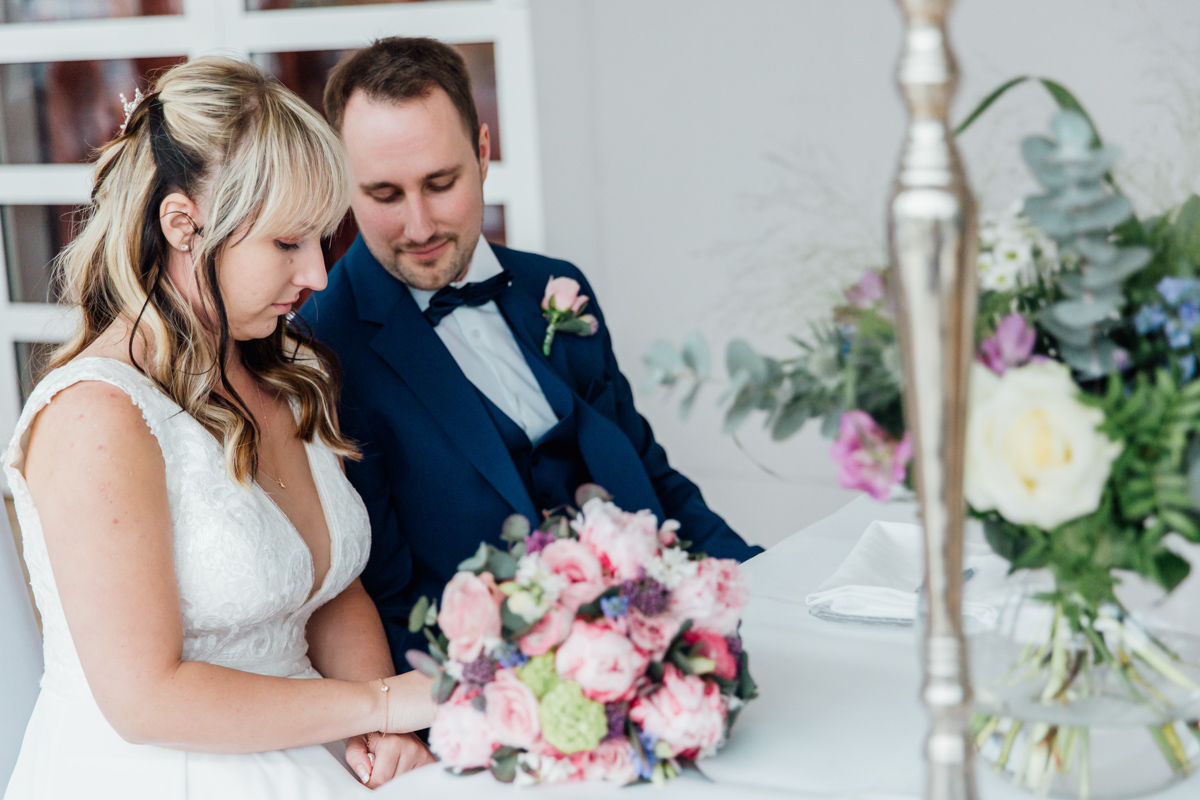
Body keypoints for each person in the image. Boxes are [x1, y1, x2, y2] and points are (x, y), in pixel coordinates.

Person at [2, 57, 438, 799]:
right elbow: (147, 699)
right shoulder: (95, 415)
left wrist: (384, 736)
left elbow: (330, 591)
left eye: (321, 242)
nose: (319, 277)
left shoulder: (286, 370)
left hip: (319, 761)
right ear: (183, 224)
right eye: (286, 244)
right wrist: (385, 700)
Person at [301, 37, 764, 674]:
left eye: (441, 183)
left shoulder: (555, 286)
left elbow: (649, 473)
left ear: (484, 152)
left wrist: (760, 586)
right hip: (506, 686)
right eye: (383, 195)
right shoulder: (322, 344)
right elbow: (381, 595)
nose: (419, 226)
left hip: (667, 634)